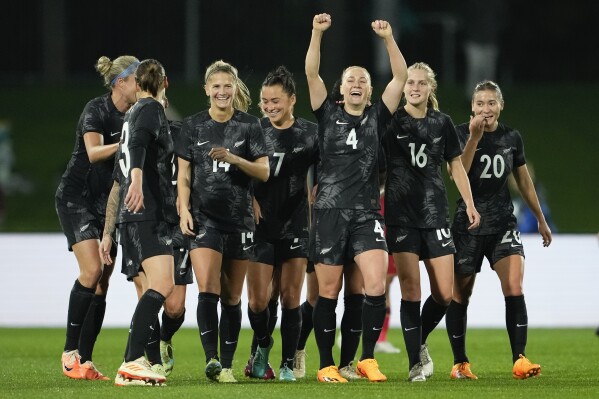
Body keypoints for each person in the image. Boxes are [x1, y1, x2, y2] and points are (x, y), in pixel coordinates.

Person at [305, 13, 407, 383]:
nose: (357, 85)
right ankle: (327, 364)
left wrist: (389, 39)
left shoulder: (378, 116)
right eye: (351, 80)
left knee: (373, 286)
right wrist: (317, 34)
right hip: (330, 213)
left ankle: (365, 358)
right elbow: (312, 75)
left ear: (368, 90)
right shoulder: (326, 113)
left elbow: (400, 77)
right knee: (329, 292)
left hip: (366, 214)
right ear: (341, 88)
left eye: (363, 81)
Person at [446, 80, 552, 380]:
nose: (485, 109)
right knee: (460, 294)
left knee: (515, 287)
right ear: (472, 107)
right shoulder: (458, 133)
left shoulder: (512, 138)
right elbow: (458, 174)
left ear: (500, 106)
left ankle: (519, 359)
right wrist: (473, 139)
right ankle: (460, 363)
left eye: (491, 103)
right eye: (480, 103)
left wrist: (540, 219)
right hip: (469, 224)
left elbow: (523, 182)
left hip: (503, 223)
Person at [383, 62, 480, 382]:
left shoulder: (442, 123)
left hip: (435, 215)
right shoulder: (392, 121)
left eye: (421, 83)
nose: (414, 87)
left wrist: (469, 203)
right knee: (410, 290)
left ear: (430, 88)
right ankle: (415, 363)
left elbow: (455, 166)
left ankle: (419, 339)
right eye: (410, 82)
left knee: (445, 293)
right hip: (401, 217)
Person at [176, 60, 269, 383]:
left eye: (227, 86)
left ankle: (228, 364)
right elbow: (183, 174)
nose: (222, 91)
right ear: (206, 90)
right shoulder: (193, 126)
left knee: (232, 296)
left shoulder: (249, 126)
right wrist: (184, 209)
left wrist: (234, 158)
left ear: (235, 88)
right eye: (216, 86)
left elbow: (264, 171)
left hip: (240, 219)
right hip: (204, 219)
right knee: (208, 288)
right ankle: (212, 359)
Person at [55, 54, 139, 381]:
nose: (140, 85)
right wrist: (128, 143)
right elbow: (93, 153)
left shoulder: (135, 115)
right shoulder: (97, 110)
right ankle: (69, 353)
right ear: (120, 83)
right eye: (136, 79)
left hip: (108, 204)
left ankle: (85, 362)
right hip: (76, 197)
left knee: (102, 281)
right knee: (91, 270)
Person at [99, 94, 190, 379]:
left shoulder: (181, 135)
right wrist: (107, 232)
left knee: (174, 306)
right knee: (150, 291)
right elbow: (118, 185)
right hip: (143, 220)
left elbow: (193, 175)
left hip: (173, 224)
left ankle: (150, 350)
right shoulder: (135, 144)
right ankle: (144, 362)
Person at [243, 66, 319, 381]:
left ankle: (287, 364)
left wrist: (321, 186)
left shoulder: (311, 133)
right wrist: (249, 199)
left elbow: (331, 166)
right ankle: (262, 345)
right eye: (265, 101)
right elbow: (235, 173)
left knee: (290, 296)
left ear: (292, 101)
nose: (270, 106)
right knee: (259, 301)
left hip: (296, 222)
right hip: (260, 225)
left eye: (276, 101)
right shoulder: (252, 130)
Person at [111, 58, 176, 386]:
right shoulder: (150, 110)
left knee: (151, 288)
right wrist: (136, 180)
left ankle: (130, 365)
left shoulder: (132, 112)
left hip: (136, 214)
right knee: (163, 284)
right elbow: (137, 146)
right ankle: (132, 361)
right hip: (144, 210)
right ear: (166, 82)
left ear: (136, 84)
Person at [374, 192, 401, 354]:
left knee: (386, 286)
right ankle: (374, 336)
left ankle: (381, 338)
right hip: (379, 230)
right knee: (378, 286)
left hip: (392, 229)